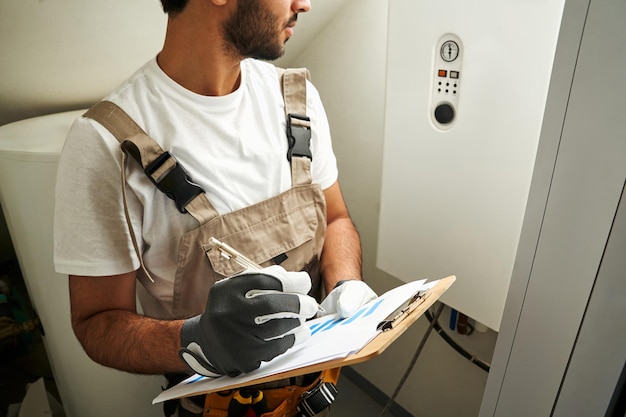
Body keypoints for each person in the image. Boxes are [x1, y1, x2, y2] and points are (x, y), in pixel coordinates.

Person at [53, 0, 377, 416]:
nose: (305, 4)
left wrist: (345, 284)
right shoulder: (105, 143)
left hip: (315, 395)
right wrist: (197, 340)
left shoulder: (296, 99)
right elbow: (96, 322)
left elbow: (335, 219)